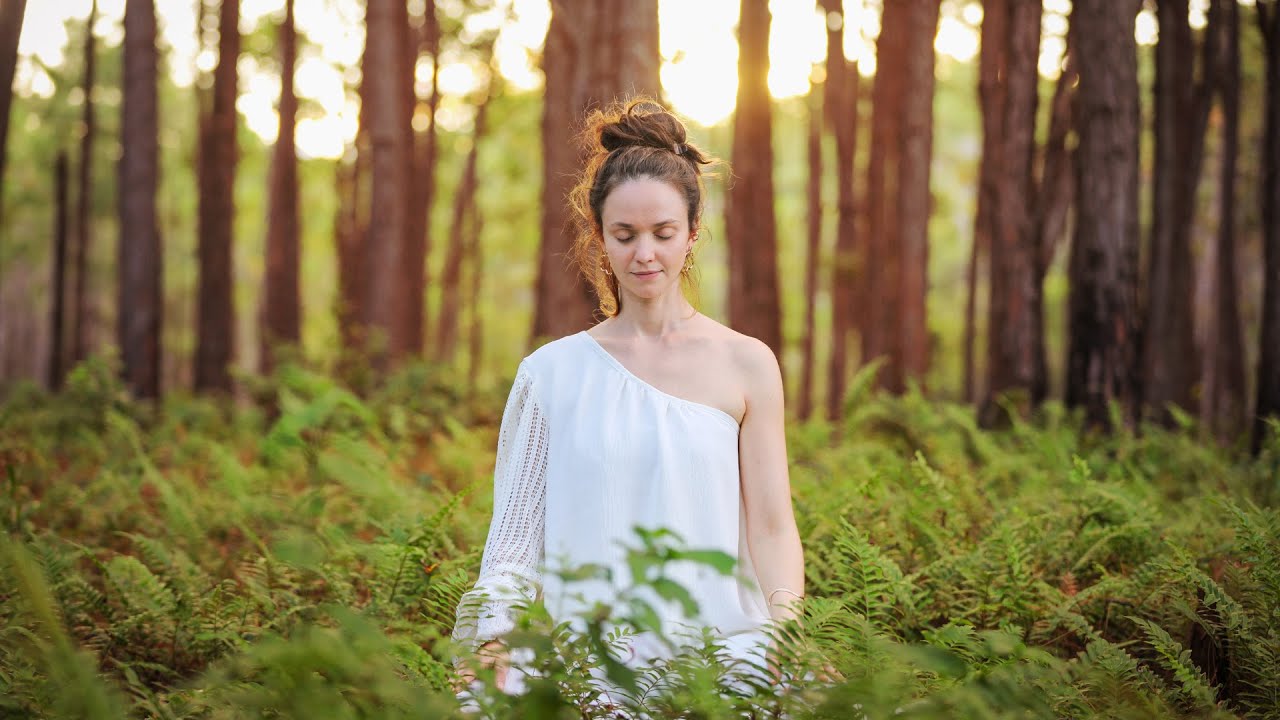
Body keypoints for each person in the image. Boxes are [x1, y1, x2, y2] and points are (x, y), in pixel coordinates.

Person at [451, 98, 806, 704]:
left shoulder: (746, 363)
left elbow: (772, 527)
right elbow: (512, 542)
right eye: (625, 234)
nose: (645, 254)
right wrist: (495, 642)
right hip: (588, 663)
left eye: (664, 234)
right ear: (600, 237)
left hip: (723, 654)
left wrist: (789, 643)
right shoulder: (550, 375)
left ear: (692, 233)